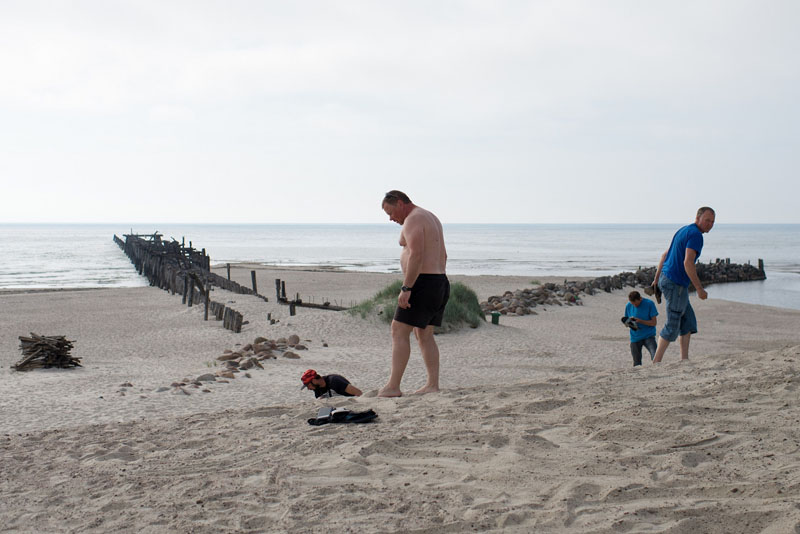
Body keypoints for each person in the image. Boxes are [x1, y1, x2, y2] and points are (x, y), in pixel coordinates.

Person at [378, 190, 449, 397]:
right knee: (423, 334)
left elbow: (417, 254)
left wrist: (407, 288)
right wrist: (437, 282)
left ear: (400, 203)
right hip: (438, 280)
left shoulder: (413, 219)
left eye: (390, 212)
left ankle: (393, 386)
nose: (391, 218)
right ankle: (432, 385)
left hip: (423, 282)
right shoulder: (430, 217)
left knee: (398, 330)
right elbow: (443, 254)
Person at [651, 207, 716, 363]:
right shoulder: (695, 235)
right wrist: (699, 289)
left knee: (688, 322)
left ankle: (684, 359)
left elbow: (665, 255)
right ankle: (656, 362)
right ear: (698, 218)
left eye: (713, 222)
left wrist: (656, 279)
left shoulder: (684, 230)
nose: (710, 224)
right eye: (707, 220)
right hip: (675, 283)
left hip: (668, 279)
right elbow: (688, 262)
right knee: (673, 324)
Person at [623, 290, 658, 366]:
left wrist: (640, 321)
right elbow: (626, 322)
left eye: (636, 303)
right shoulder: (628, 305)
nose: (634, 305)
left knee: (656, 357)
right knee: (636, 364)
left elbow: (654, 323)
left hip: (649, 336)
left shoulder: (649, 304)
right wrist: (631, 323)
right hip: (635, 337)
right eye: (632, 304)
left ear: (640, 299)